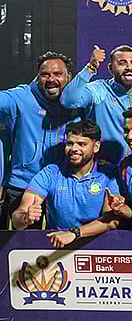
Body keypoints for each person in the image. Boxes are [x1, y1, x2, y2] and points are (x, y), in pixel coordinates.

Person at [12, 119, 130, 247]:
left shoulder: (108, 173)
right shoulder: (51, 173)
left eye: (81, 144)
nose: (74, 148)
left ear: (95, 147)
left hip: (98, 248)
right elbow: (17, 217)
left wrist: (74, 233)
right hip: (58, 246)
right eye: (69, 143)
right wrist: (25, 218)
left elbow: (111, 221)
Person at [0, 52, 83, 226]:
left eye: (57, 74)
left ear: (69, 77)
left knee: (62, 246)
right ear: (38, 78)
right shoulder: (22, 97)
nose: (51, 79)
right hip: (22, 185)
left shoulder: (78, 103)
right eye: (45, 74)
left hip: (61, 187)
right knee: (19, 247)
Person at [60, 44, 132, 164]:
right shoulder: (100, 90)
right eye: (122, 63)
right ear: (110, 68)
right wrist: (90, 67)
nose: (129, 67)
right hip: (106, 171)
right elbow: (68, 101)